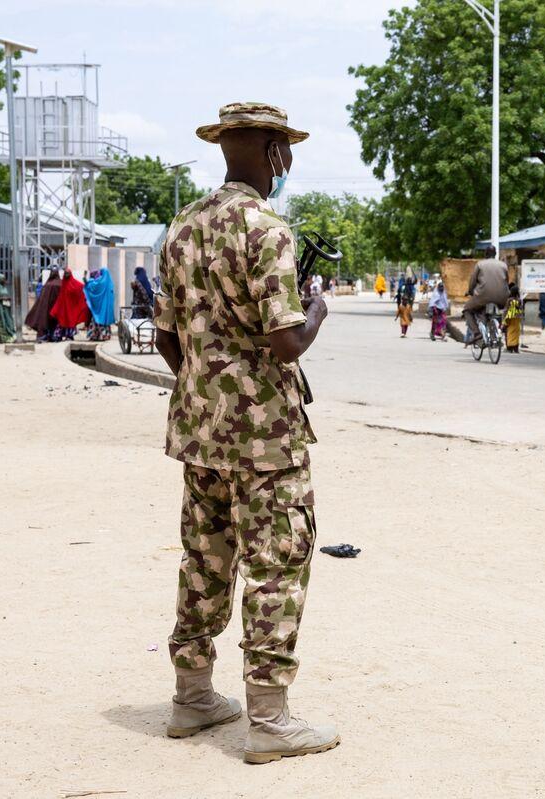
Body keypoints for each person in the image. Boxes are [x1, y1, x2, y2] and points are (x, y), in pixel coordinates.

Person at [153, 102, 339, 763]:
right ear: (271, 150)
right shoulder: (267, 229)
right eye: (283, 148)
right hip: (264, 436)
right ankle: (269, 716)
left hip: (201, 433)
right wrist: (316, 310)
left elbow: (166, 339)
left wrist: (205, 387)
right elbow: (286, 342)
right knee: (277, 563)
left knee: (204, 559)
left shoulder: (182, 227)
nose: (285, 159)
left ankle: (192, 694)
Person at [463, 246, 509, 346]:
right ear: (495, 254)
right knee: (500, 311)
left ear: (485, 254)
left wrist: (470, 291)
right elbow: (506, 281)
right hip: (502, 297)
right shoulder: (504, 265)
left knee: (466, 309)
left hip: (482, 296)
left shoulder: (480, 264)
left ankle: (477, 333)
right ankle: (497, 331)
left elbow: (473, 281)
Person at [50, 268, 89, 340]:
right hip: (63, 307)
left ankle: (69, 335)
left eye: (68, 273)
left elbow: (81, 287)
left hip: (71, 307)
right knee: (62, 321)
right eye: (65, 273)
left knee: (70, 321)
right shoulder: (63, 283)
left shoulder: (74, 283)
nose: (66, 275)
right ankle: (60, 336)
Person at [25, 269, 61, 342]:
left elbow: (42, 298)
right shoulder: (61, 284)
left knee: (45, 321)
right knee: (56, 322)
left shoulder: (47, 284)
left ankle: (45, 336)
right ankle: (55, 336)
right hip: (58, 307)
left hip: (47, 307)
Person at [84, 267, 116, 341]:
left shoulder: (99, 282)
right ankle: (105, 335)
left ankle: (96, 336)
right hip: (107, 308)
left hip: (99, 308)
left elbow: (90, 287)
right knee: (105, 322)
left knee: (97, 321)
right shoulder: (110, 284)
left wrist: (85, 279)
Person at [503, 285, 522, 353]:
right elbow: (520, 309)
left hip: (510, 317)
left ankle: (509, 347)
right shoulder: (519, 300)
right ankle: (516, 348)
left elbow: (506, 310)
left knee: (509, 333)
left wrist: (503, 320)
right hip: (517, 318)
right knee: (516, 333)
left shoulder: (509, 300)